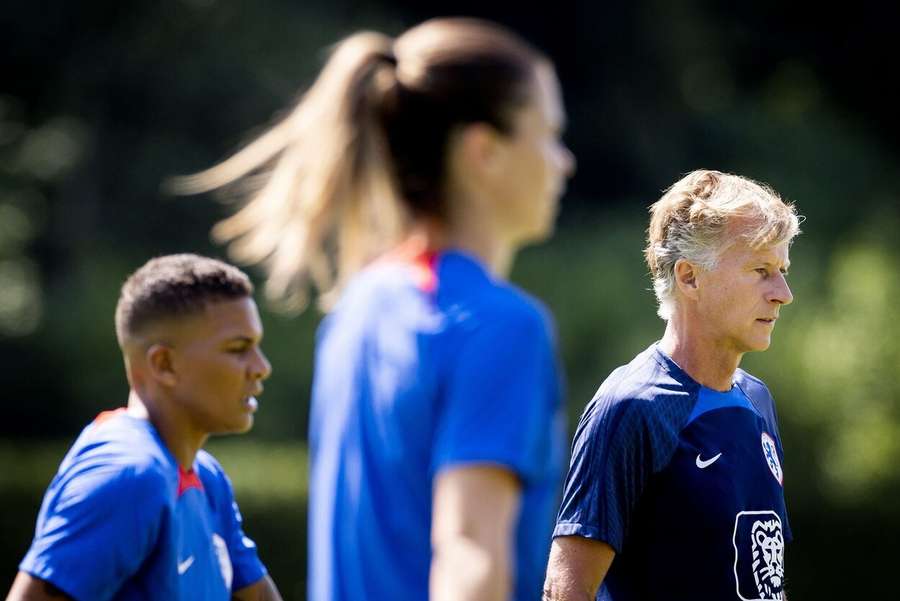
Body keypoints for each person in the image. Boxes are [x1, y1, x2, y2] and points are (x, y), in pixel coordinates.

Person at [174, 17, 575, 601]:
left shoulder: (356, 310)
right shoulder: (501, 326)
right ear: (483, 151)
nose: (563, 161)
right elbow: (468, 557)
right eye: (548, 134)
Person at [543, 170, 801, 601]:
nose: (783, 293)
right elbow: (565, 589)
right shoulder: (632, 407)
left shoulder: (757, 401)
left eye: (782, 270)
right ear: (689, 277)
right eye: (761, 270)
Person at [5, 254, 282, 601]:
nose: (261, 367)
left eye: (257, 346)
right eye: (238, 348)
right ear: (164, 364)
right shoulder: (128, 477)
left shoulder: (206, 477)